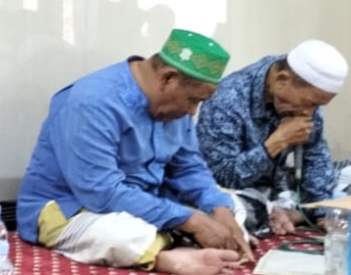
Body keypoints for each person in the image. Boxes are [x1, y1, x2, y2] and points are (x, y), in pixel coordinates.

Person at [17, 29, 253, 275]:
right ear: (168, 78)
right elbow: (101, 192)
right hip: (77, 208)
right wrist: (189, 221)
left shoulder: (173, 107)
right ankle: (167, 257)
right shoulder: (92, 102)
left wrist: (219, 210)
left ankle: (176, 241)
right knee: (119, 235)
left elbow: (189, 168)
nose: (193, 112)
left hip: (147, 200)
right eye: (193, 101)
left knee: (230, 203)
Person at [197, 40, 347, 235]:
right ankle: (283, 213)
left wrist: (322, 212)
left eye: (317, 106)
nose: (310, 113)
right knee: (229, 210)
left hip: (283, 186)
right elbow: (221, 177)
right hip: (242, 192)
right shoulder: (227, 99)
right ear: (282, 80)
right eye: (309, 104)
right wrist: (277, 142)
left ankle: (296, 213)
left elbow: (316, 157)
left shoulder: (305, 93)